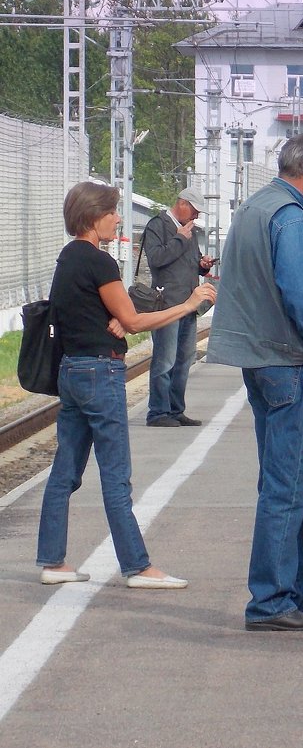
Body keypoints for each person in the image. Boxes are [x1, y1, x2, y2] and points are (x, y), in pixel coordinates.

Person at [36, 181, 217, 590]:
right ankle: (137, 566)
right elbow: (134, 320)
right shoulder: (99, 262)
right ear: (93, 216)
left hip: (73, 372)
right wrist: (188, 305)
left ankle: (53, 561)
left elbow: (105, 312)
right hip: (101, 374)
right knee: (116, 475)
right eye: (113, 212)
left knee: (65, 471)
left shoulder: (68, 258)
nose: (118, 218)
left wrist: (119, 318)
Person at [206, 131, 303, 631]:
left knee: (286, 481)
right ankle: (271, 600)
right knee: (287, 486)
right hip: (292, 362)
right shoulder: (291, 219)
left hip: (263, 361)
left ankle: (295, 591)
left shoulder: (256, 207)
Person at [142, 187, 216, 428]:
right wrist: (179, 238)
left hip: (188, 304)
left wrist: (202, 265)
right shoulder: (158, 225)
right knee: (165, 360)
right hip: (167, 304)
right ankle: (157, 412)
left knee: (184, 359)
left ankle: (175, 410)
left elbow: (189, 262)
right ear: (182, 204)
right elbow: (156, 259)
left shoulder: (189, 231)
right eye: (194, 211)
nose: (195, 217)